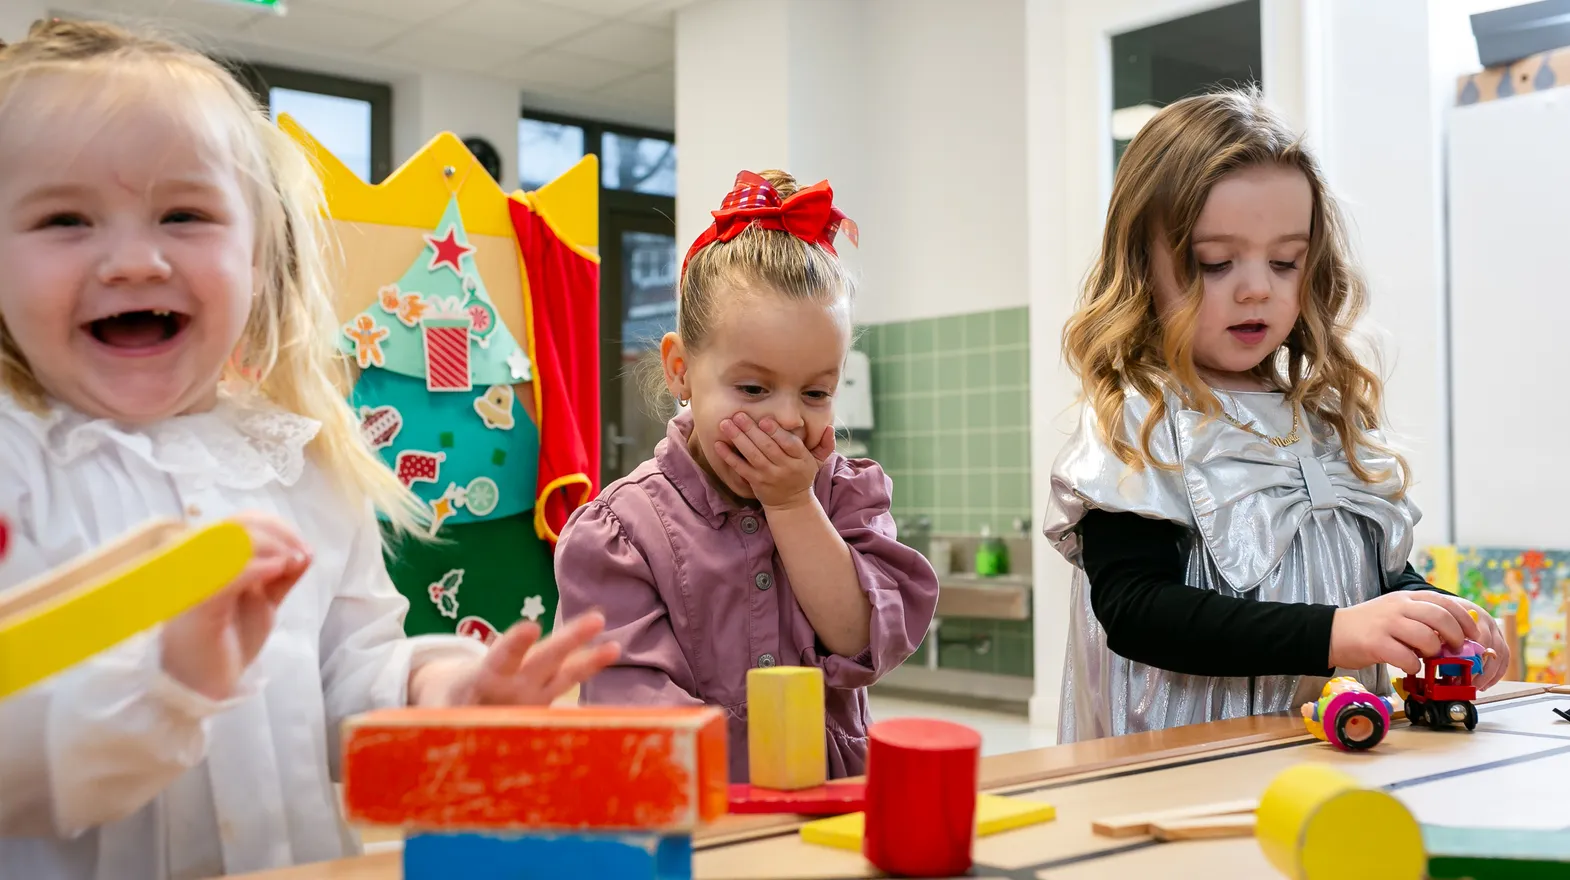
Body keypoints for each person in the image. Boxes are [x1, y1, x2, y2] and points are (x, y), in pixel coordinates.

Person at [0, 20, 620, 878]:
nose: (134, 260)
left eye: (184, 214)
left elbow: (349, 677)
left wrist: (444, 693)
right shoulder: (15, 467)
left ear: (258, 259)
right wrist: (167, 688)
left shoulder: (300, 464)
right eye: (64, 219)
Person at [1043, 90, 1511, 743]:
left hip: (1334, 752)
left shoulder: (1323, 418)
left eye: (1285, 260)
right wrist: (1337, 634)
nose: (1258, 286)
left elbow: (1370, 576)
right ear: (1141, 267)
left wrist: (1431, 611)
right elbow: (1136, 611)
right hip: (1187, 767)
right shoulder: (1141, 418)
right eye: (1215, 262)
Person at [554, 170, 939, 782]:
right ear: (680, 370)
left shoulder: (844, 496)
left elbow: (861, 637)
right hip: (694, 811)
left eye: (816, 392)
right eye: (753, 388)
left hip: (828, 805)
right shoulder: (620, 532)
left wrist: (792, 505)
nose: (786, 419)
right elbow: (627, 706)